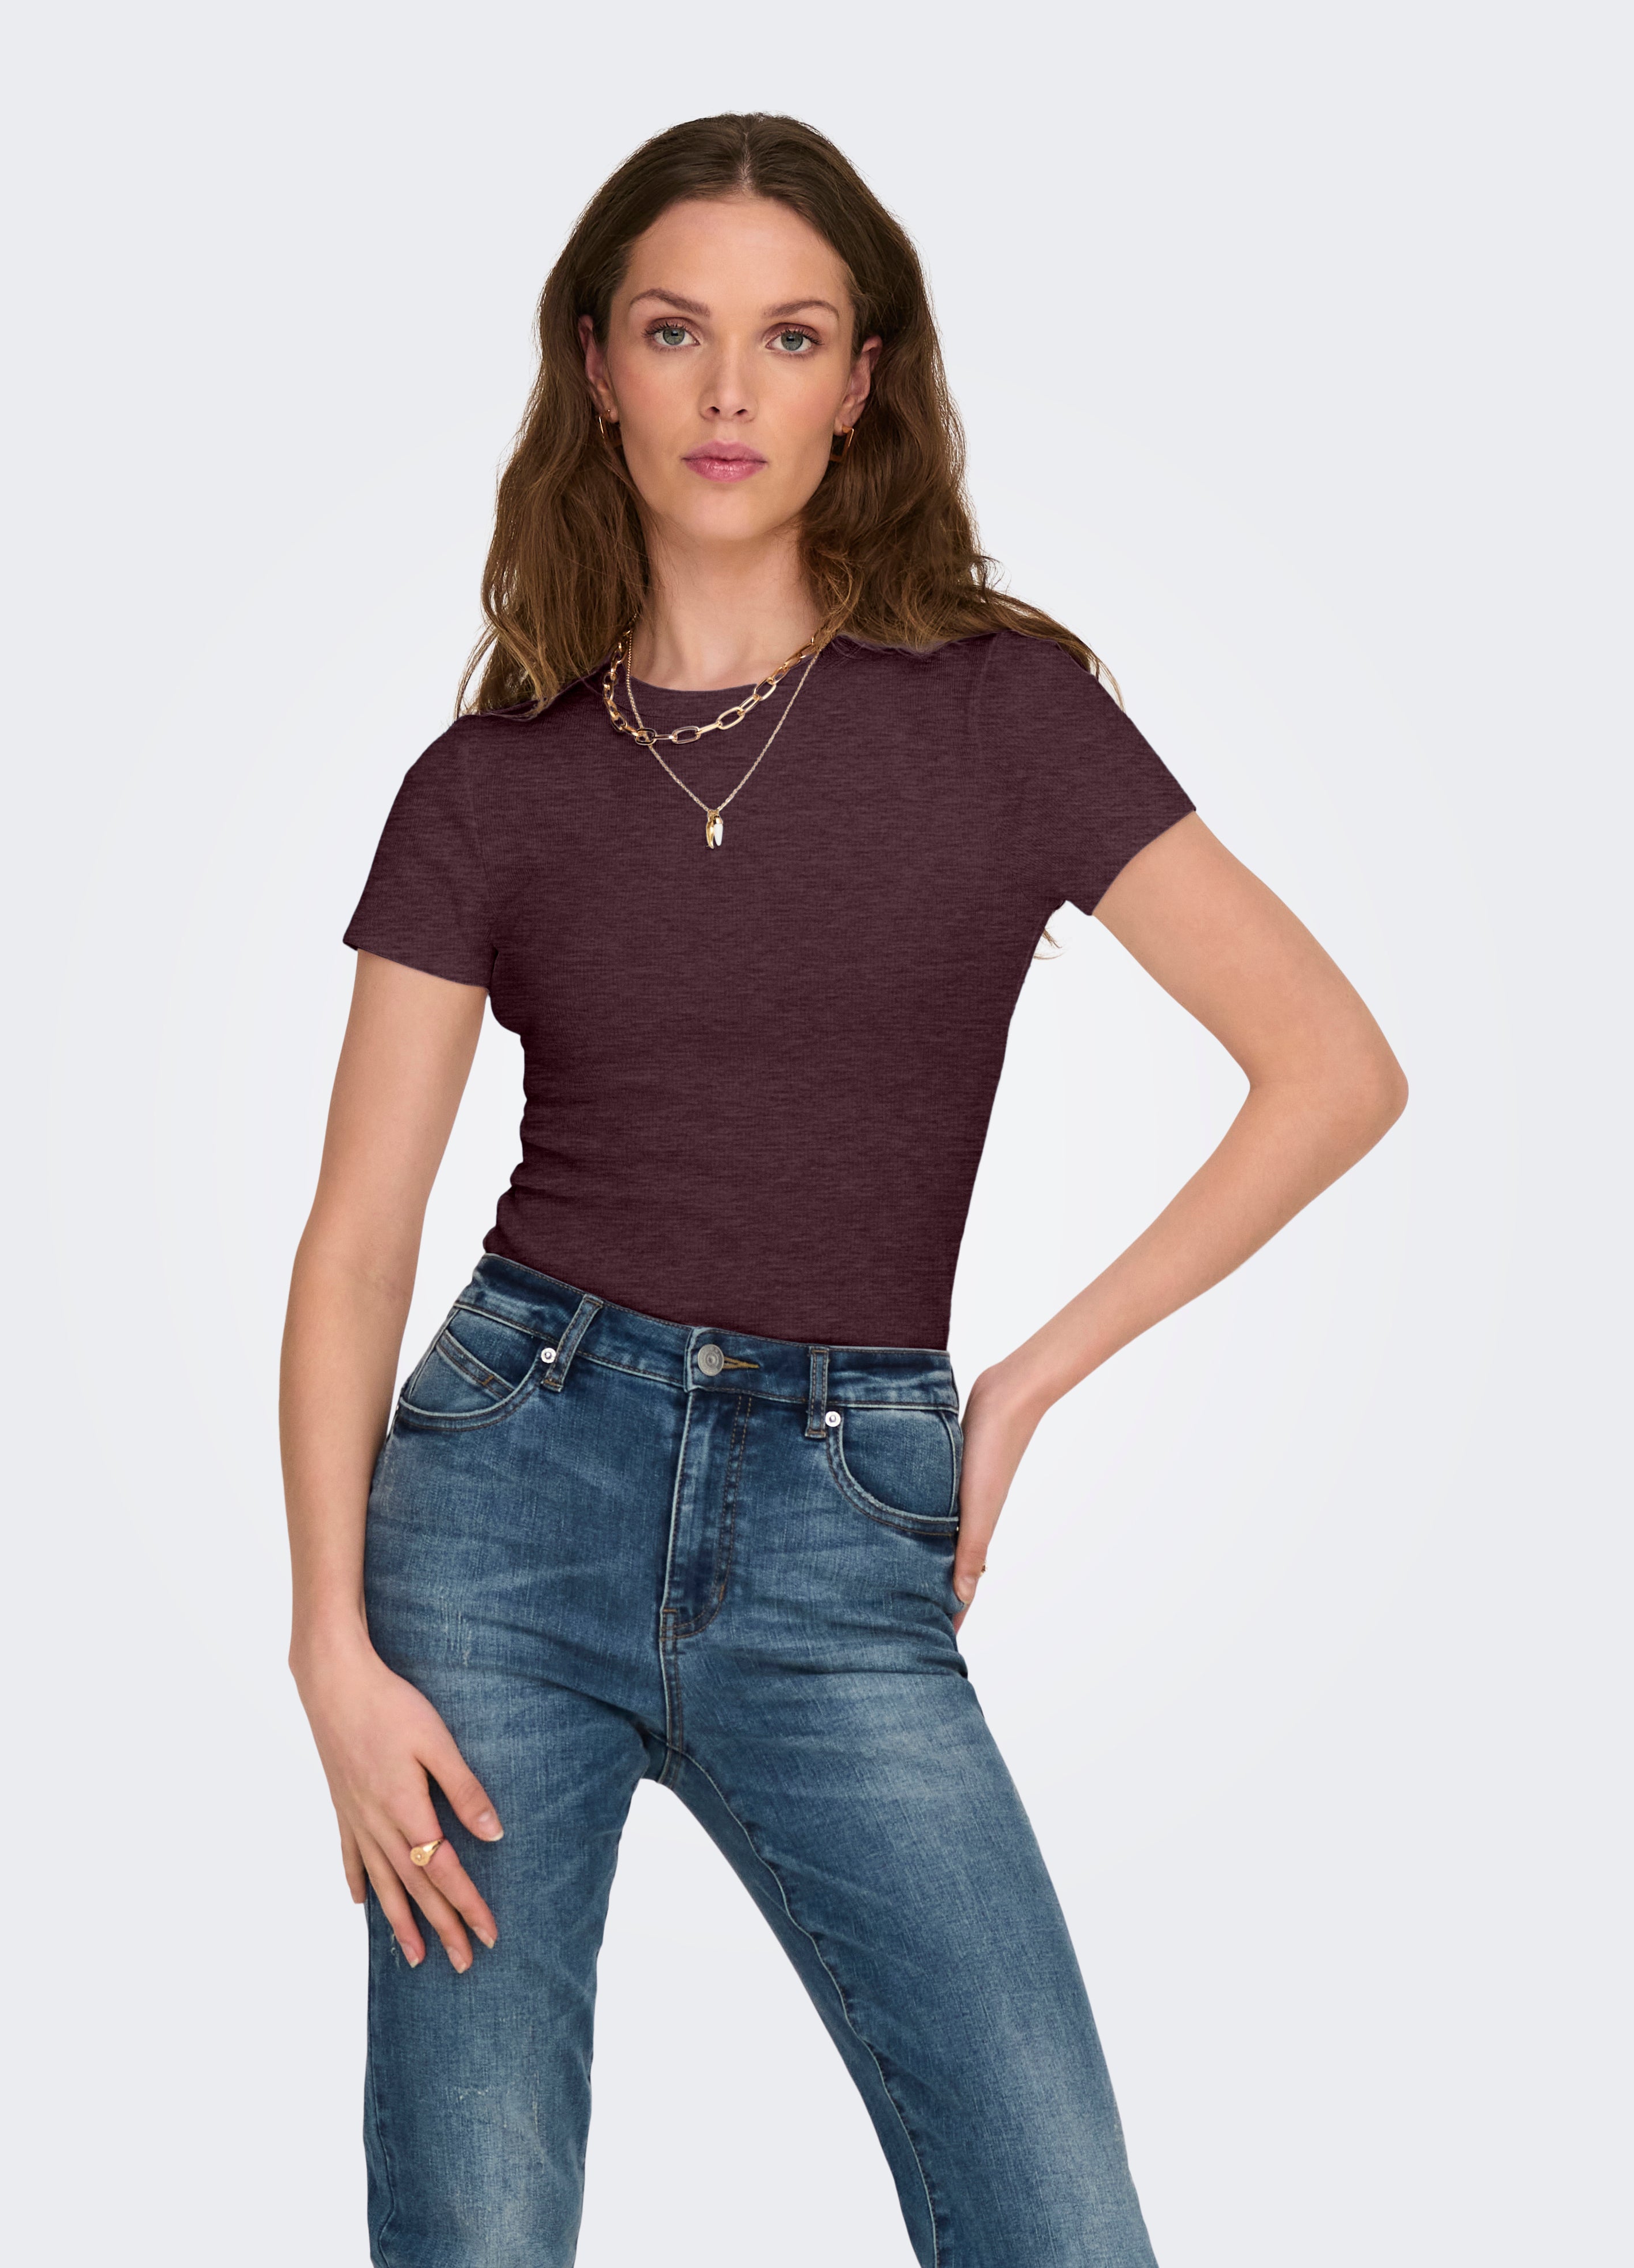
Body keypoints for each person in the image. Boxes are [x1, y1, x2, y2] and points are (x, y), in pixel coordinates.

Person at [280, 111, 1407, 2268]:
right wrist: (329, 1642)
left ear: (859, 382)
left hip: (840, 1527)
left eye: (788, 338)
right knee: (475, 2231)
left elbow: (1331, 1071)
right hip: (502, 1512)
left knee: (1056, 2225)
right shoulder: (487, 785)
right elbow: (355, 1245)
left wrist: (1025, 1383)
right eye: (674, 332)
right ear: (594, 365)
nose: (729, 391)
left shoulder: (1004, 719)